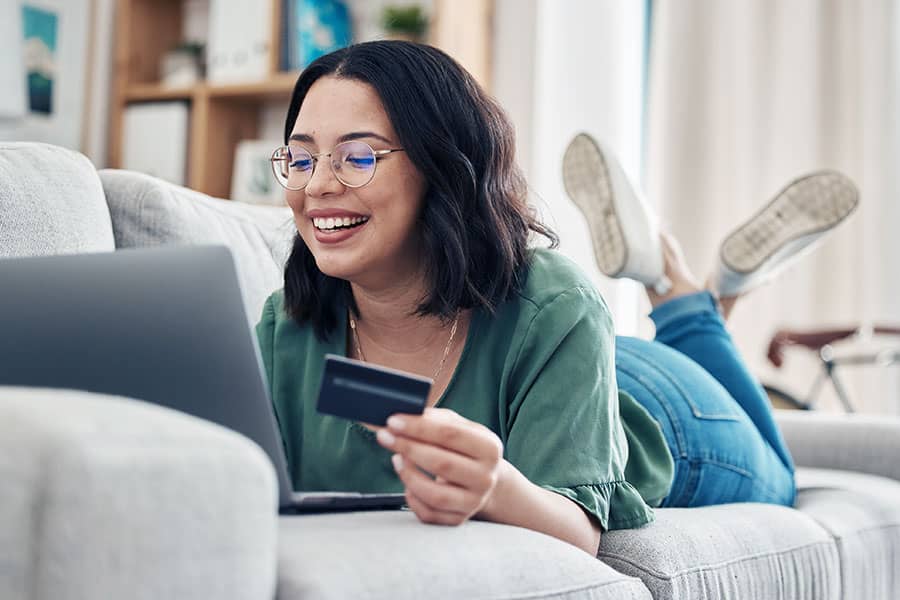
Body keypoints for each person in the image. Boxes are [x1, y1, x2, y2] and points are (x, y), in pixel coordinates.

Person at [256, 41, 859, 556]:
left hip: (663, 411)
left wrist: (494, 489)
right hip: (567, 367)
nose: (318, 186)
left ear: (444, 167)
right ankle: (696, 287)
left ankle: (687, 299)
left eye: (358, 156)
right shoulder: (285, 325)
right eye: (302, 158)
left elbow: (580, 534)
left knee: (780, 478)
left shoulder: (556, 301)